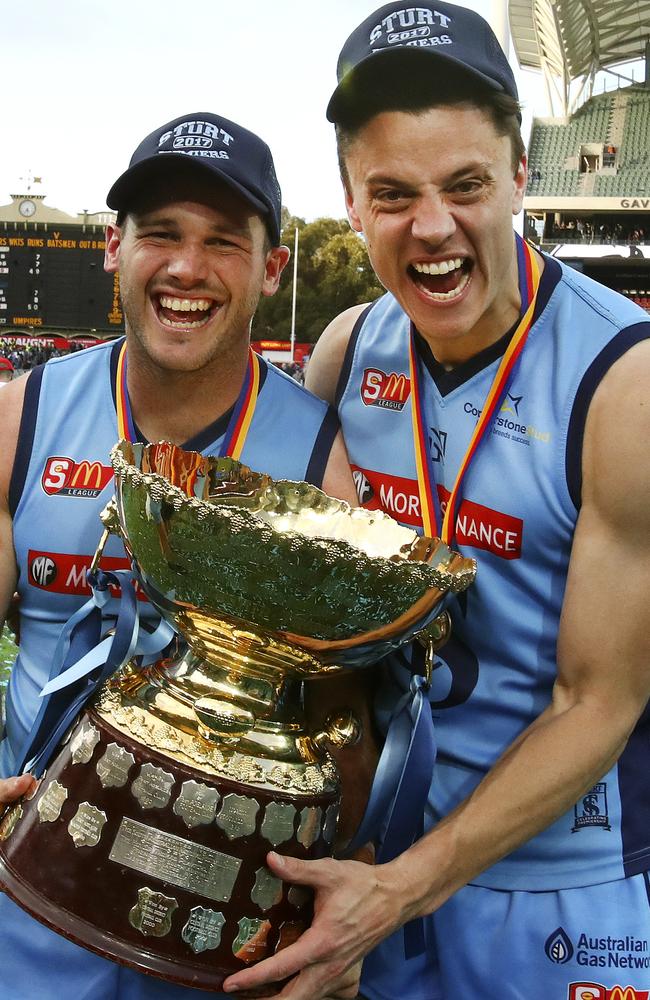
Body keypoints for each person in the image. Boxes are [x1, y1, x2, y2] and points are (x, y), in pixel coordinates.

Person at [221, 5, 650, 1000]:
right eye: (391, 193)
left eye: (463, 186)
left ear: (517, 176)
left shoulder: (620, 381)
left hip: (554, 895)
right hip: (369, 872)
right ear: (350, 201)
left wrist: (399, 889)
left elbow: (600, 701)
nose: (430, 227)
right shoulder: (343, 352)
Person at [0, 110, 360, 999]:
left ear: (272, 268)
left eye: (223, 242)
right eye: (160, 234)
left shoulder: (323, 463)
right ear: (115, 249)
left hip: (215, 927)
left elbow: (344, 727)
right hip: (22, 889)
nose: (187, 268)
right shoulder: (20, 417)